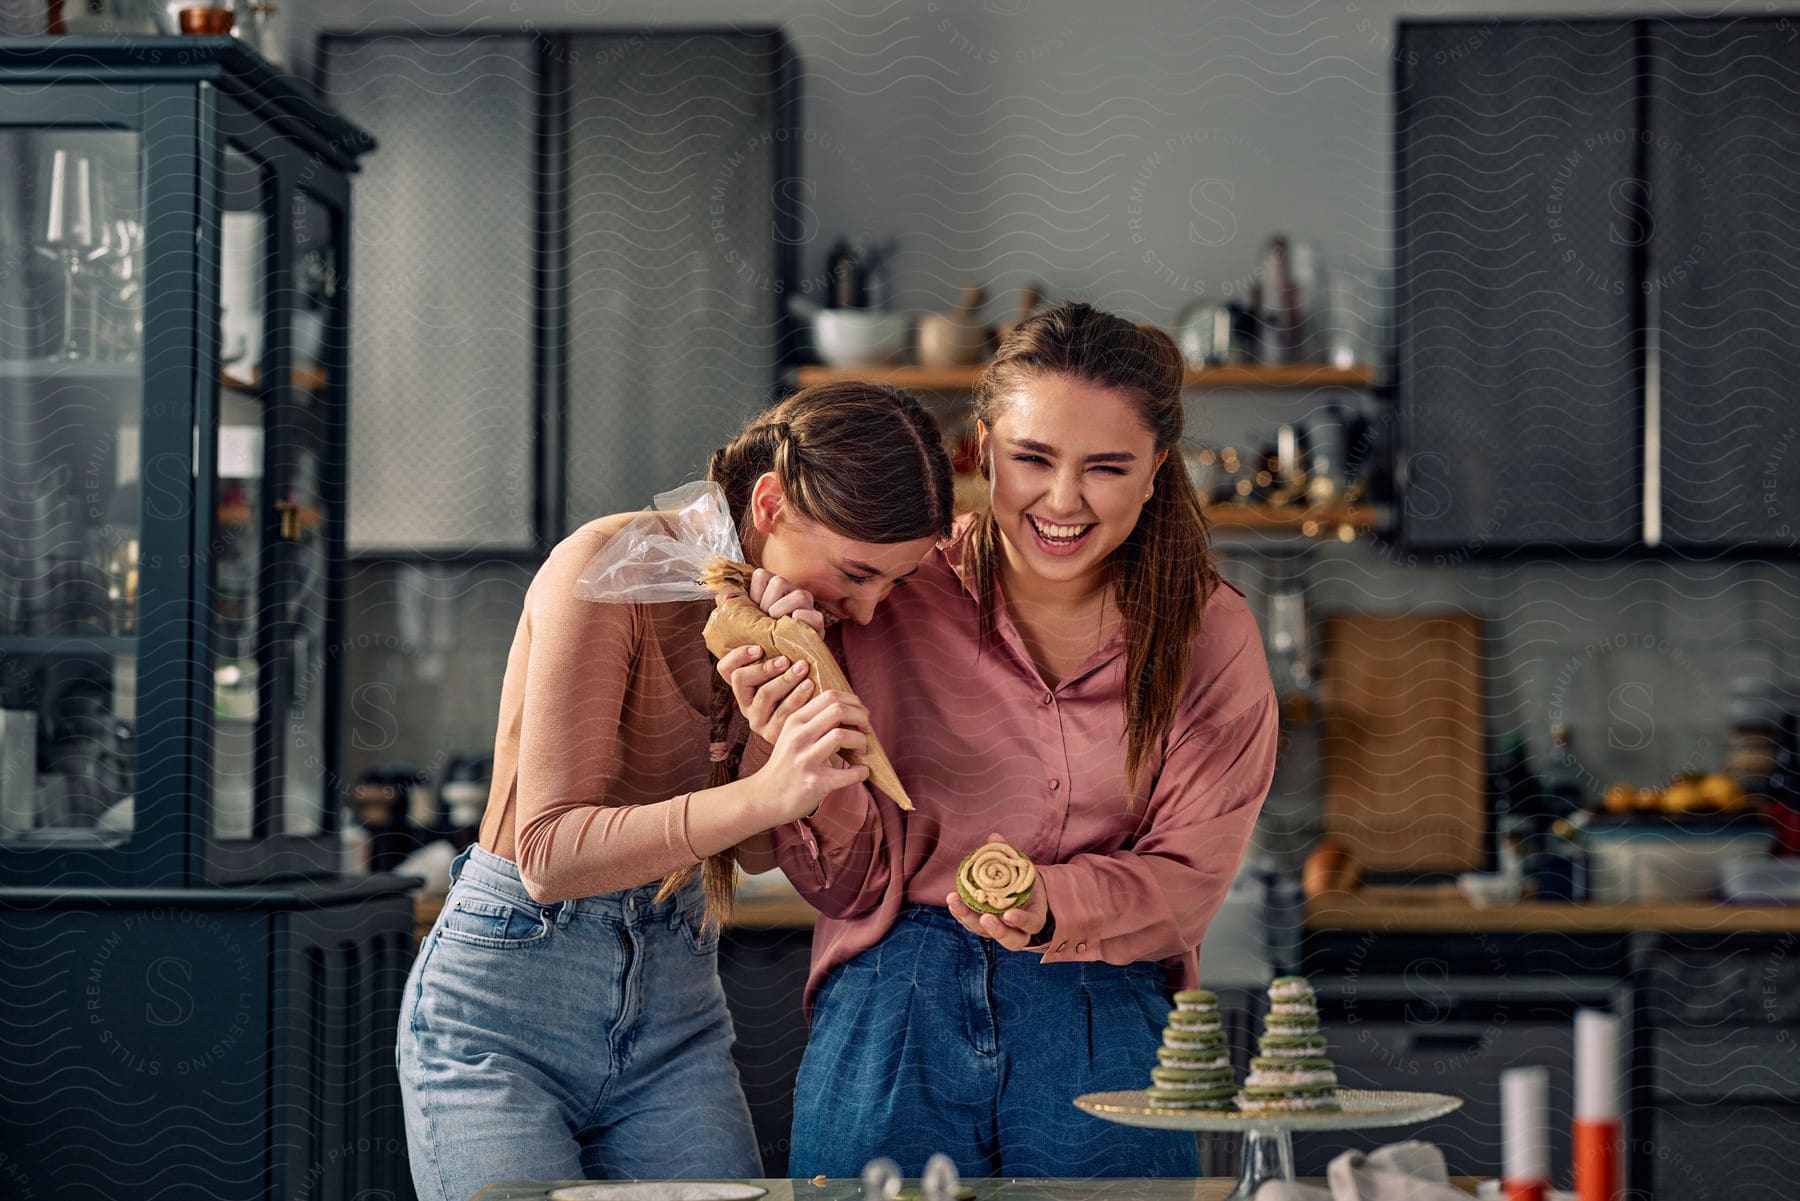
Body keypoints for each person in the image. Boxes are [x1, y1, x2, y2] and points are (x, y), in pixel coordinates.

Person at [721, 303, 1279, 1178]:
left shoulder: (1211, 634)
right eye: (1032, 459)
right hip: (893, 998)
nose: (1063, 500)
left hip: (1104, 1012)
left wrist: (1051, 901)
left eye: (1106, 467)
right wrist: (792, 728)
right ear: (981, 450)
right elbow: (836, 877)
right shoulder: (889, 590)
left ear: (1155, 470)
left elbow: (1188, 887)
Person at [396, 383, 955, 1201]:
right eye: (857, 572)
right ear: (771, 503)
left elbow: (758, 849)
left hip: (676, 1018)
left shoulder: (773, 618)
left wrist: (777, 716)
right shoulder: (607, 565)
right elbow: (549, 855)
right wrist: (770, 790)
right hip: (505, 1015)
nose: (867, 609)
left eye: (892, 584)